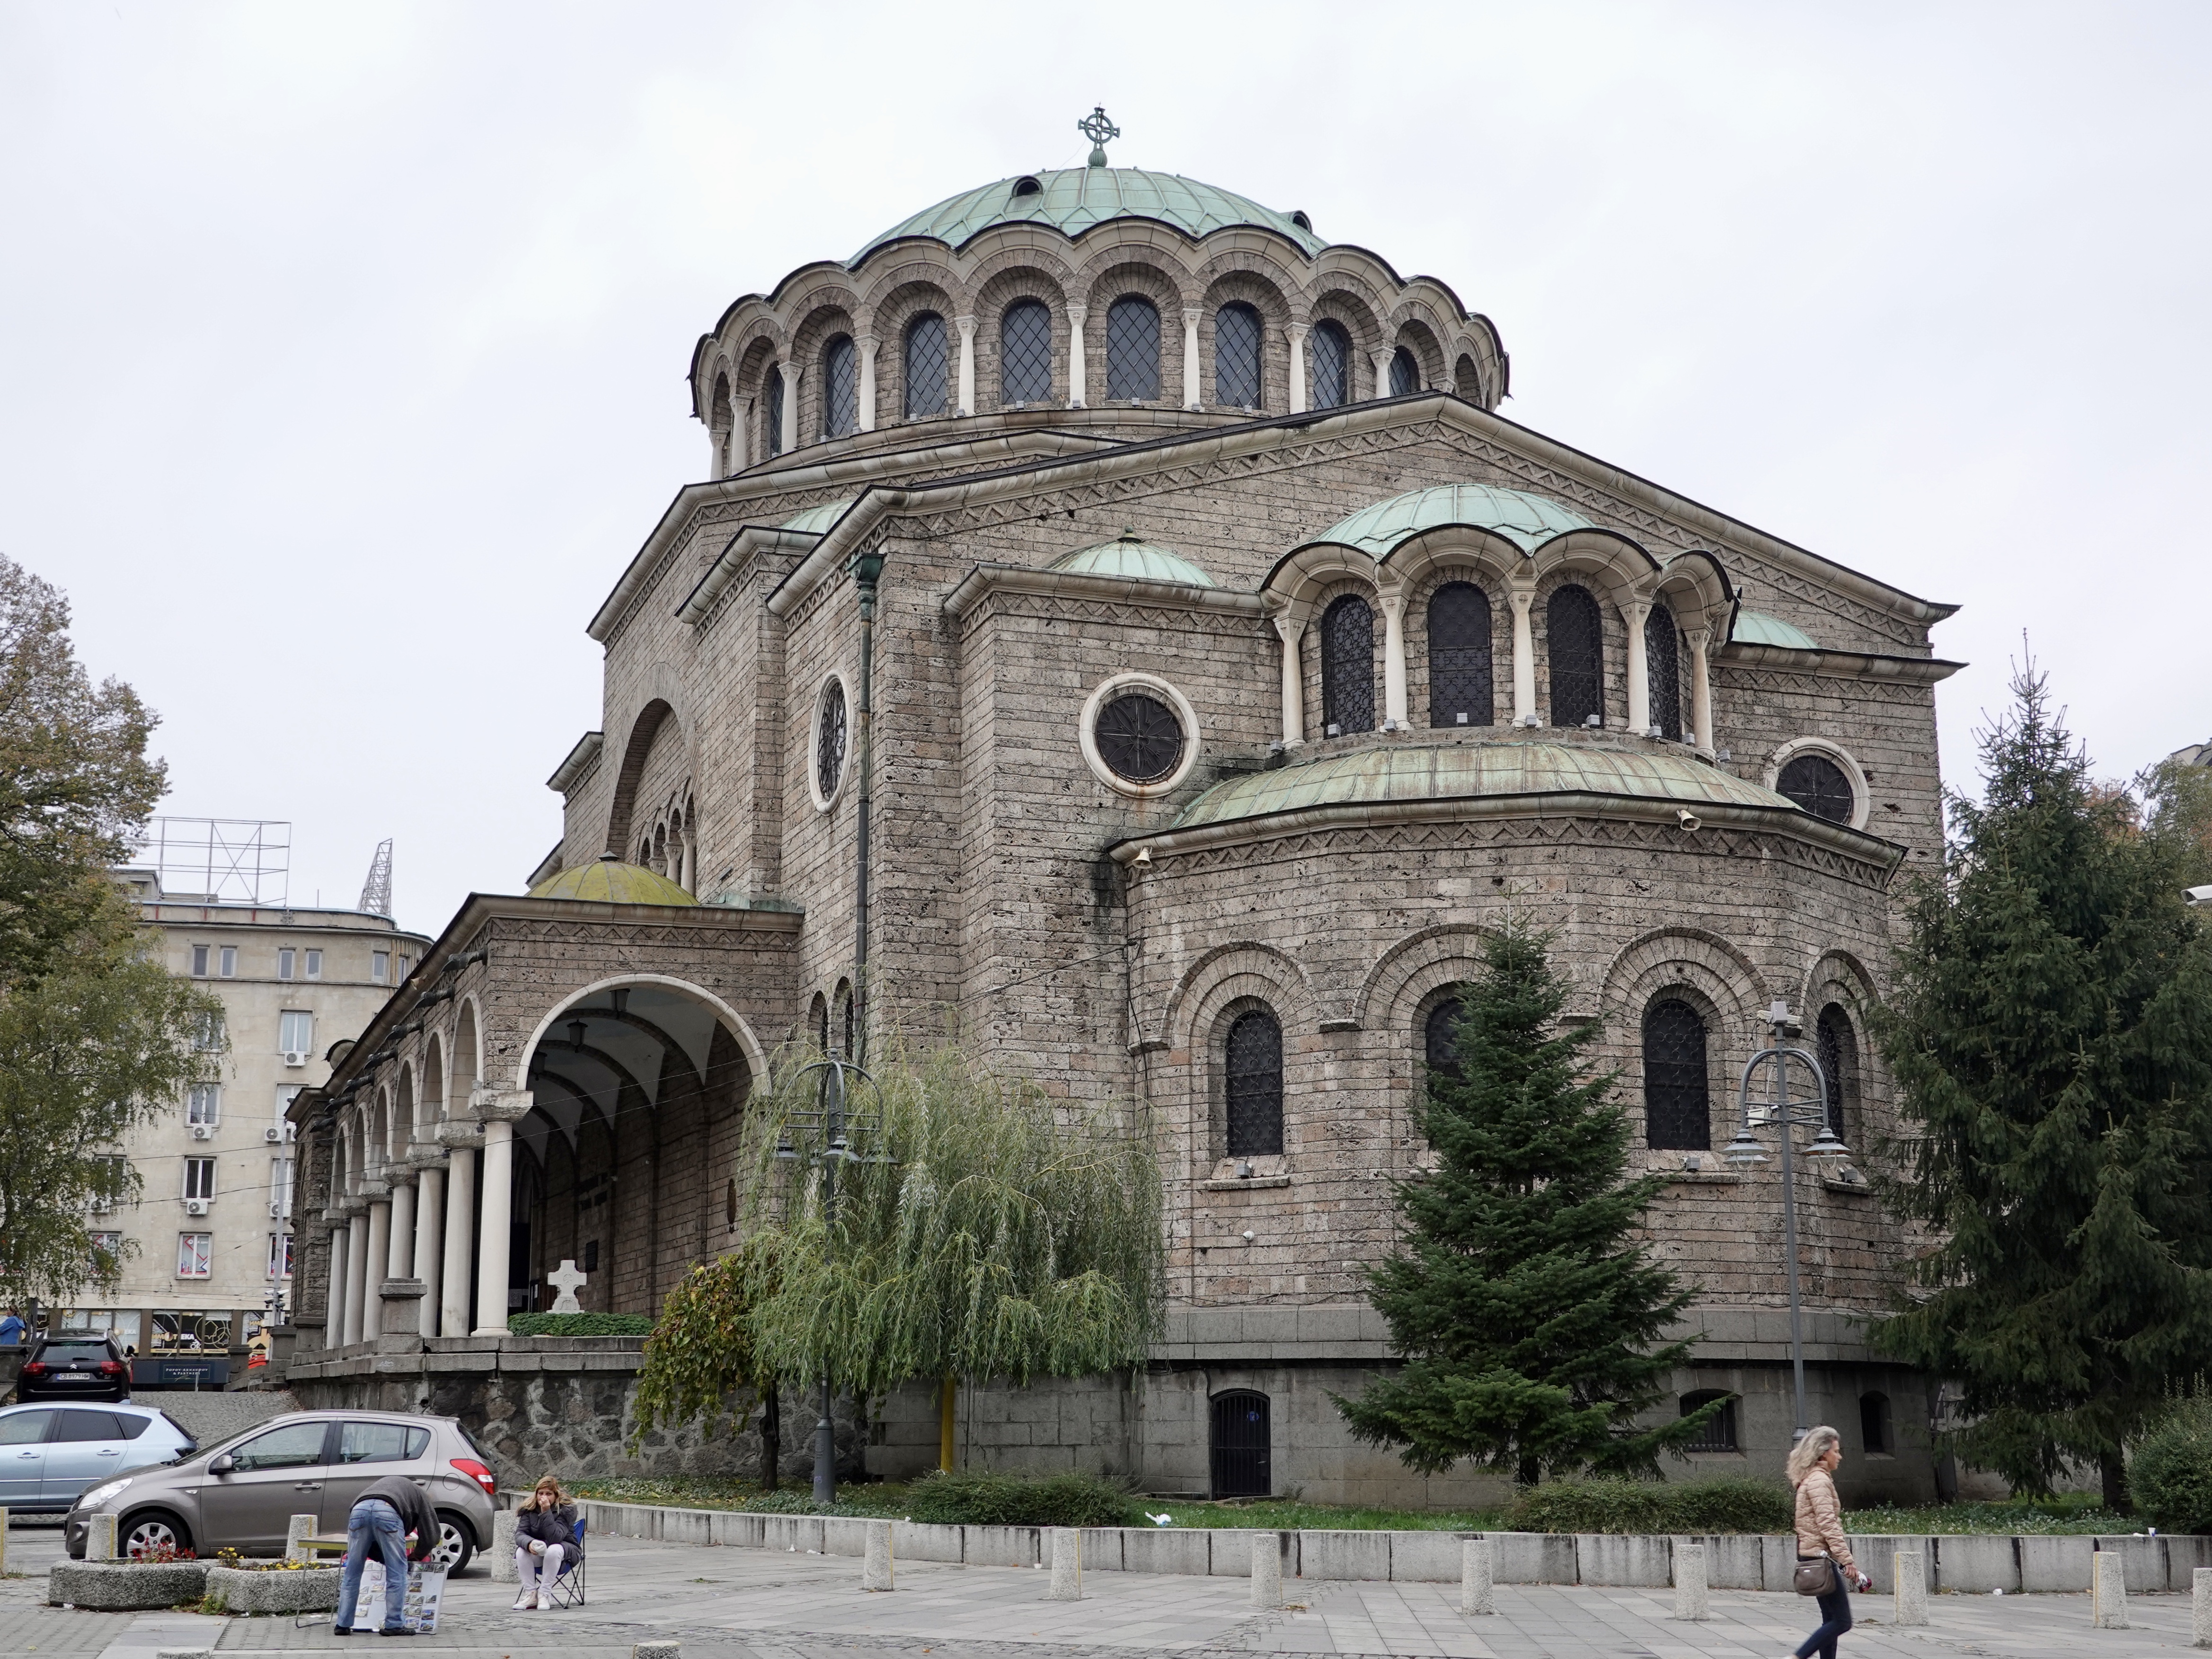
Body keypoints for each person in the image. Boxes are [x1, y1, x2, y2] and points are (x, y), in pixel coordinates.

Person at [1788, 1424, 1872, 1659]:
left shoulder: (1812, 1478)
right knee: (1843, 1621)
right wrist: (1847, 1561)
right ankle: (1796, 1657)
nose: (1840, 1456)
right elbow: (1828, 1525)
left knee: (1831, 1619)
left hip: (1813, 1555)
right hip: (1820, 1557)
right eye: (1837, 1451)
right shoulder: (1819, 1481)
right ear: (1824, 1453)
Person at [334, 1471, 441, 1636]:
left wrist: (382, 1558)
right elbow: (431, 1537)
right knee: (397, 1572)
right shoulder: (423, 1498)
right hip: (388, 1511)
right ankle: (394, 1624)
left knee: (353, 1572)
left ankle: (342, 1624)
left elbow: (373, 1544)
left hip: (358, 1509)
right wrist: (416, 1556)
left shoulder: (393, 1485)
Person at [512, 1474, 582, 1610]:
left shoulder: (566, 1510)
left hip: (565, 1552)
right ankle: (531, 1594)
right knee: (521, 1551)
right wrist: (530, 1543)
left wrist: (546, 1512)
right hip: (540, 1551)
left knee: (554, 1549)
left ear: (556, 1496)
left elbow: (556, 1537)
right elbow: (520, 1534)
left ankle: (544, 1593)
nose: (544, 1497)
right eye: (541, 1493)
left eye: (549, 1494)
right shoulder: (529, 1509)